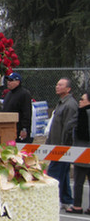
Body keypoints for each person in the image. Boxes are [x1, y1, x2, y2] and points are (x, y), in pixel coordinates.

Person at [46, 77, 78, 208]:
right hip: (56, 146)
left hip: (61, 148)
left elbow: (68, 128)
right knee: (63, 174)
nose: (57, 86)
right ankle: (66, 200)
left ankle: (52, 200)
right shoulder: (62, 103)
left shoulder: (70, 105)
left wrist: (64, 148)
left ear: (68, 89)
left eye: (60, 85)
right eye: (57, 84)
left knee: (54, 174)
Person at [67, 91, 90, 214]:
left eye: (82, 99)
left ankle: (77, 206)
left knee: (79, 182)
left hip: (81, 151)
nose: (80, 101)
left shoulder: (81, 113)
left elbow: (69, 126)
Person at [2, 72, 32, 142]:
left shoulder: (24, 94)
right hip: (8, 128)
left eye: (11, 80)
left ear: (18, 82)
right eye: (8, 80)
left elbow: (27, 112)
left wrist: (24, 128)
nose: (8, 82)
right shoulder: (9, 94)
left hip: (18, 129)